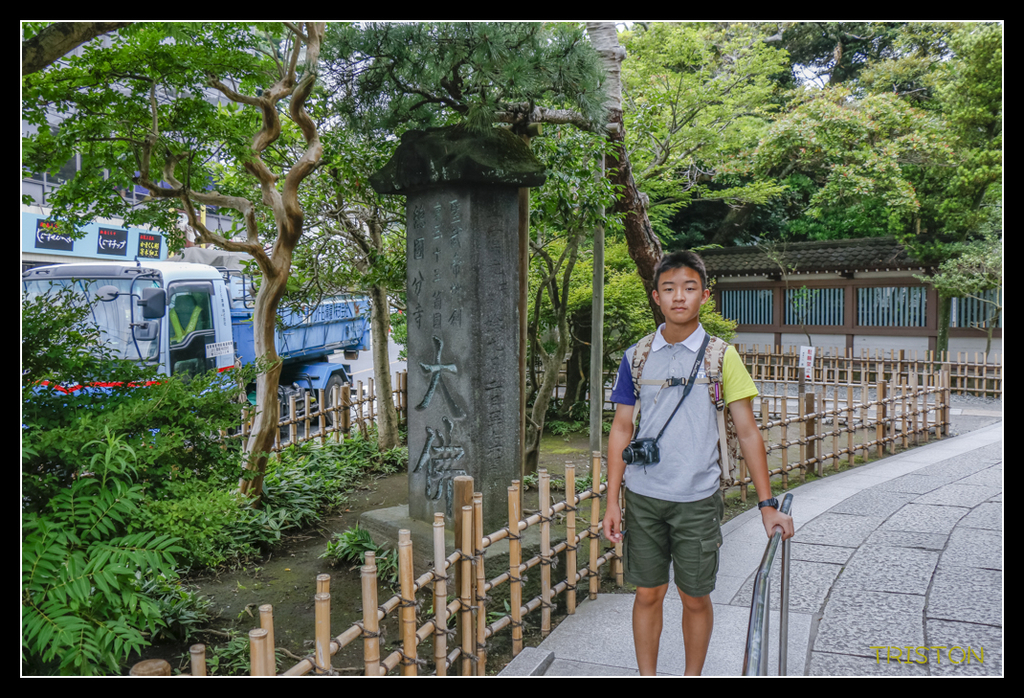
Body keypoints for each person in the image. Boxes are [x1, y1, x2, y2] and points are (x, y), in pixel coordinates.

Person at [602, 250, 794, 676]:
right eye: (669, 289)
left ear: (705, 296)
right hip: (644, 497)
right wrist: (612, 500)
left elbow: (747, 432)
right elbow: (620, 428)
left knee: (695, 597)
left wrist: (767, 506)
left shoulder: (722, 357)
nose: (679, 297)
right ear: (655, 296)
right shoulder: (636, 356)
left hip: (697, 499)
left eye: (689, 288)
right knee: (647, 593)